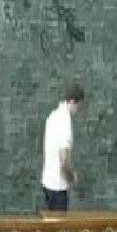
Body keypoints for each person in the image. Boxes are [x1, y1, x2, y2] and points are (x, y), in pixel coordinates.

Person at [41, 83, 84, 211]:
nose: (78, 110)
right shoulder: (65, 121)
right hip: (58, 186)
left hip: (47, 182)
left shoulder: (52, 116)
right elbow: (63, 160)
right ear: (72, 101)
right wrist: (72, 178)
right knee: (60, 230)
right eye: (79, 106)